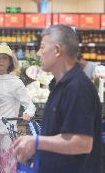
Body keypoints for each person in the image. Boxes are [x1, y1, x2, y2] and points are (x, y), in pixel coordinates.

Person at [13, 25, 102, 173]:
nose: (38, 53)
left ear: (57, 50)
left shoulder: (77, 87)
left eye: (42, 47)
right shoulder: (59, 85)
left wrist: (35, 142)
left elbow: (82, 143)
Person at [0, 43, 36, 173]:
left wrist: (27, 114)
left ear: (10, 62)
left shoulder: (15, 82)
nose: (0, 61)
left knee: (5, 169)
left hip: (7, 134)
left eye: (4, 58)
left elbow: (30, 105)